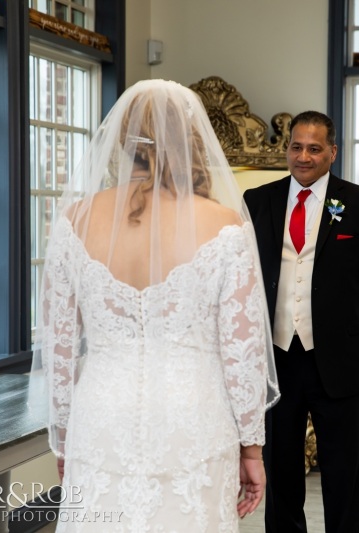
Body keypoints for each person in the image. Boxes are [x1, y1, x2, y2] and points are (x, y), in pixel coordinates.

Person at [29, 79, 280, 532]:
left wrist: (64, 439)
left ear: (122, 141)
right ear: (192, 139)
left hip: (103, 417)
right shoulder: (224, 225)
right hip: (194, 417)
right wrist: (252, 450)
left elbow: (59, 347)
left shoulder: (75, 222)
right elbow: (243, 354)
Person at [243, 110, 359, 533]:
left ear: (332, 152)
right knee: (281, 471)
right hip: (276, 361)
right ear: (286, 149)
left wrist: (345, 325)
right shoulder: (257, 201)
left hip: (339, 360)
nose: (303, 156)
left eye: (314, 148)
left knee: (342, 474)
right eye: (296, 146)